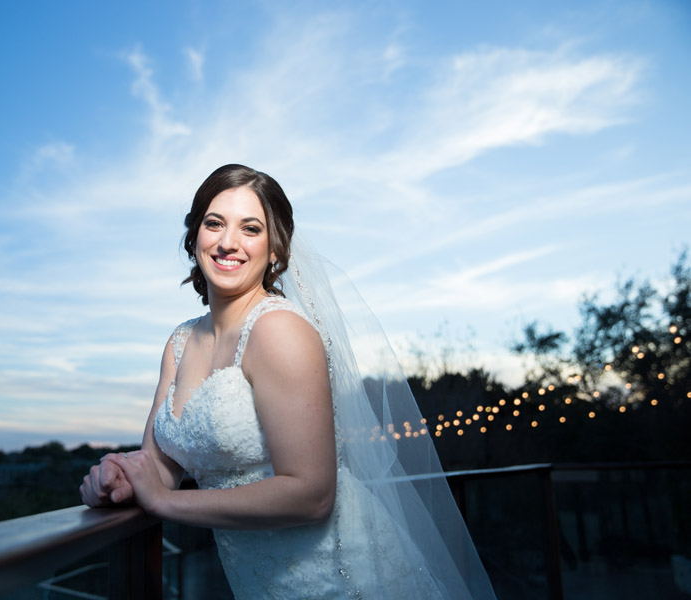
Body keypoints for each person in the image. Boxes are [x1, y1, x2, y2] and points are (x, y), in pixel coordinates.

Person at [80, 164, 496, 598]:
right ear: (195, 239)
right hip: (257, 582)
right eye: (214, 223)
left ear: (275, 250)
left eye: (250, 228)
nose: (227, 242)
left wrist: (165, 504)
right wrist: (120, 477)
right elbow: (161, 467)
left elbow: (312, 496)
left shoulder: (280, 331)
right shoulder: (180, 342)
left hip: (337, 578)